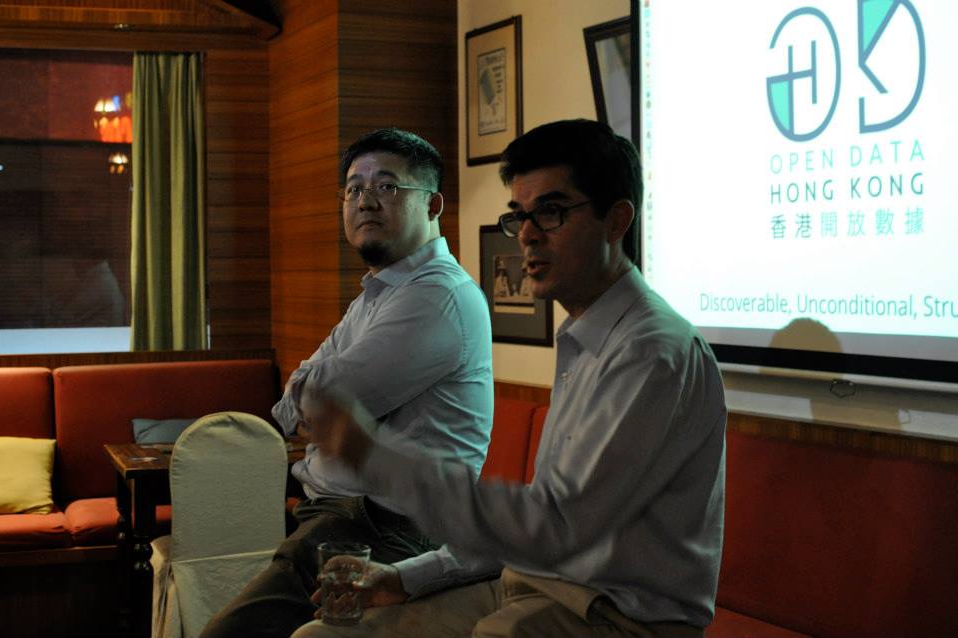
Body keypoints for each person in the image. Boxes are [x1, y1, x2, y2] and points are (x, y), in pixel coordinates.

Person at [293, 119, 727, 638]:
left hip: (612, 618)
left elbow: (552, 530)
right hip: (531, 587)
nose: (527, 234)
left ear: (616, 220)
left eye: (551, 211)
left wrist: (376, 458)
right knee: (320, 633)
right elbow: (542, 526)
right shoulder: (586, 337)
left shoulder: (651, 353)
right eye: (519, 215)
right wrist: (405, 578)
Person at [200, 128, 494, 638]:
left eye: (387, 186)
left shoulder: (436, 296)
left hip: (383, 527)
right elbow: (293, 400)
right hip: (334, 515)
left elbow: (321, 401)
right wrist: (307, 391)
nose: (366, 201)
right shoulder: (378, 294)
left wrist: (309, 391)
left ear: (433, 205)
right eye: (354, 188)